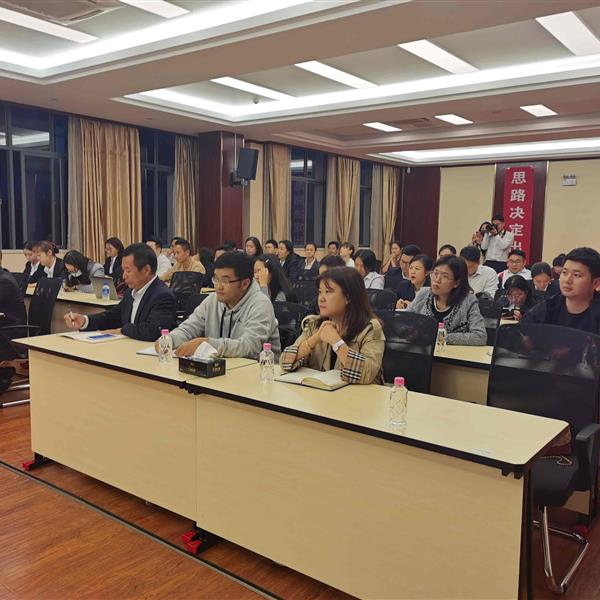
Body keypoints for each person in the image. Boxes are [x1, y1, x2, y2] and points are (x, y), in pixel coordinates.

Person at [164, 251, 281, 359]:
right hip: (219, 369)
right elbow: (188, 329)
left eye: (225, 281)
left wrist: (208, 344)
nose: (218, 286)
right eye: (216, 279)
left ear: (245, 283)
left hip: (258, 371)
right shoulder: (212, 300)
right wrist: (168, 340)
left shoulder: (261, 304)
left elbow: (250, 347)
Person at [280, 267, 385, 384]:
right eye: (320, 292)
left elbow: (368, 372)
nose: (321, 299)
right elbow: (285, 361)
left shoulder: (370, 329)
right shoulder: (314, 324)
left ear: (348, 297)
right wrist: (315, 338)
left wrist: (336, 342)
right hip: (319, 393)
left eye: (328, 292)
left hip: (355, 394)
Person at [64, 243, 176, 341]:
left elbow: (152, 331)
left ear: (146, 270)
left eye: (128, 271)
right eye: (123, 270)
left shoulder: (163, 295)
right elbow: (113, 316)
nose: (124, 276)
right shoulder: (131, 292)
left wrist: (122, 330)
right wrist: (85, 321)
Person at [406, 256, 487, 346]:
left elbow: (480, 337)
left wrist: (441, 337)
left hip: (452, 354)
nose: (437, 280)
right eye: (435, 273)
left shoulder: (468, 301)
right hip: (422, 351)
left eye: (445, 276)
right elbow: (404, 321)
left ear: (456, 283)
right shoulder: (423, 294)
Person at [524, 247, 600, 333]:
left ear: (596, 283)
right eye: (564, 273)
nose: (567, 280)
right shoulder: (546, 310)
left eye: (576, 275)